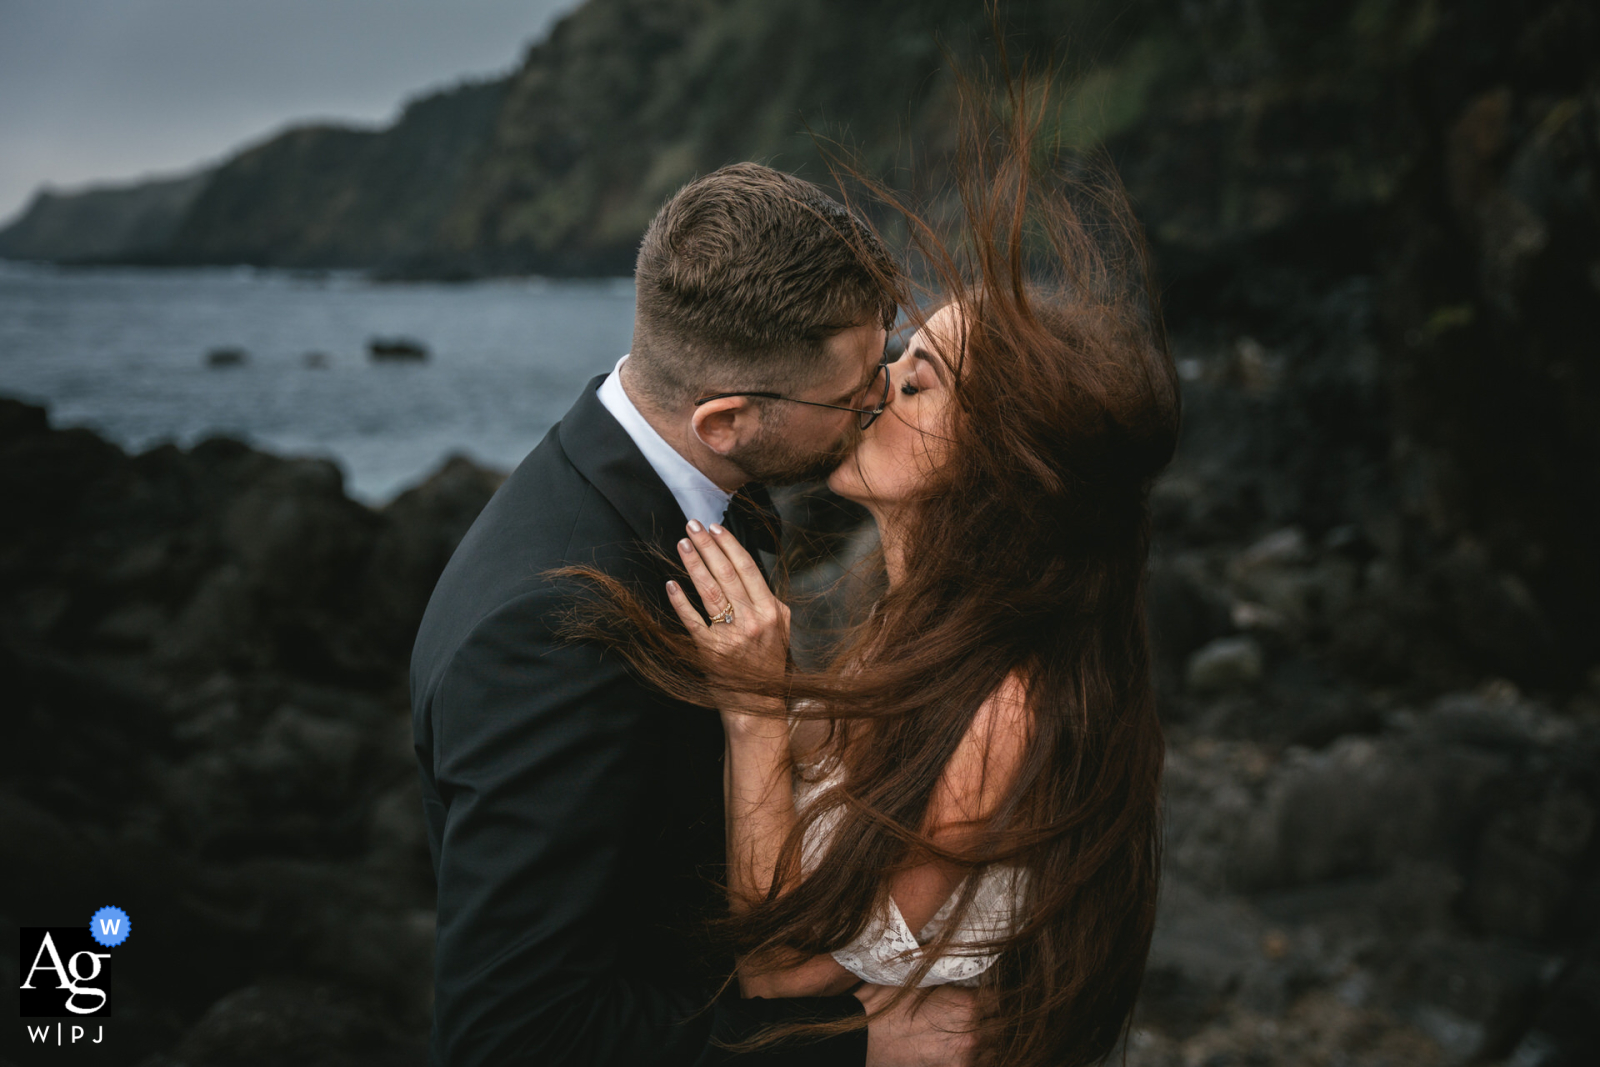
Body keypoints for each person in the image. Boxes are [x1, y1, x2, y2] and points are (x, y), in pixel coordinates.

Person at [575, 88, 1181, 1067]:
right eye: (901, 354)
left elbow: (781, 967)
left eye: (922, 379)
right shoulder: (905, 627)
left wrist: (754, 708)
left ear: (996, 465)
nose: (878, 385)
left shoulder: (1000, 715)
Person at [410, 162, 978, 1067]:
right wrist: (855, 1052)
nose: (878, 404)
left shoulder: (701, 488)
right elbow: (512, 1036)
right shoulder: (550, 628)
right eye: (856, 392)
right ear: (726, 420)